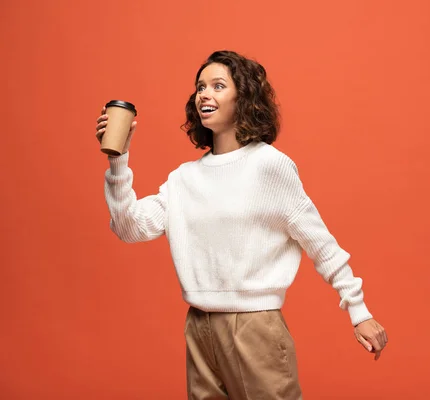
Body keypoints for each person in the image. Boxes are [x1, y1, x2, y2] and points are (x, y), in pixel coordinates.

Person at [96, 50, 387, 399]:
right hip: (199, 325)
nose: (205, 94)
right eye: (200, 87)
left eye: (218, 86)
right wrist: (119, 160)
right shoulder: (184, 178)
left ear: (244, 98)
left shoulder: (270, 166)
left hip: (255, 325)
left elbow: (321, 244)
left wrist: (359, 311)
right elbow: (130, 227)